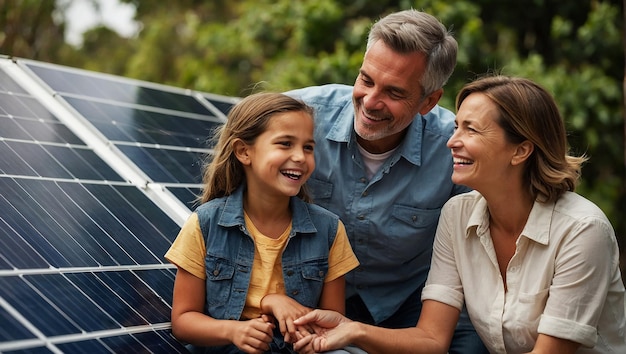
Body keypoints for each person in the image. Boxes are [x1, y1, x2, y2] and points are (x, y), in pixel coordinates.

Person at [292, 75, 626, 353]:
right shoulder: (457, 213)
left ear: (521, 150)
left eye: (471, 130)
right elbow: (432, 339)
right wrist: (352, 330)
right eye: (456, 126)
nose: (452, 141)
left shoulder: (583, 230)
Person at [286, 9, 487, 353]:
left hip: (413, 304)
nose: (370, 102)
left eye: (394, 93)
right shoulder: (298, 117)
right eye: (366, 80)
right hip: (309, 296)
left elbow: (476, 258)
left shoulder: (456, 149)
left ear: (428, 101)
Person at [164, 92, 360, 354]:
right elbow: (183, 321)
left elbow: (331, 324)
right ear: (244, 152)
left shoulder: (330, 231)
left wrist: (294, 321)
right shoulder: (204, 224)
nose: (300, 157)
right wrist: (233, 331)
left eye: (308, 147)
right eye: (285, 144)